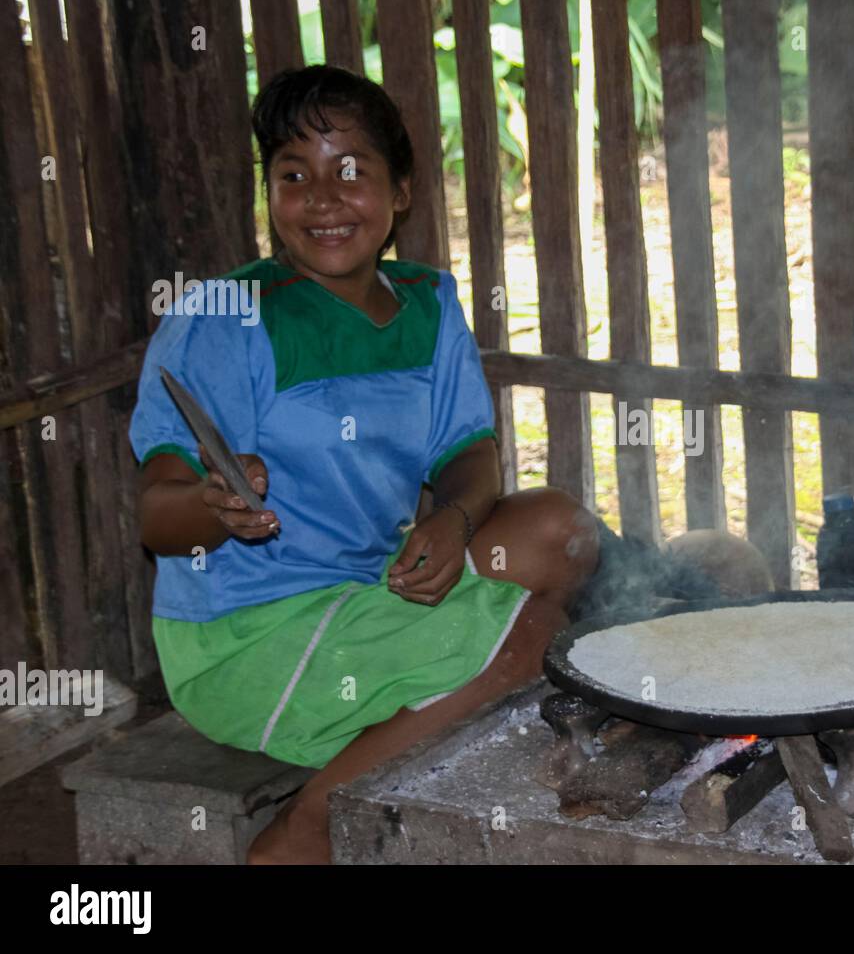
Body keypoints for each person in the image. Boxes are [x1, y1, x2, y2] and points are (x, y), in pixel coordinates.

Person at [129, 65, 599, 863]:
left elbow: (469, 454)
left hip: (372, 584)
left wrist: (450, 522)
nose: (322, 198)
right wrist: (215, 507)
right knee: (535, 640)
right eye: (293, 175)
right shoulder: (225, 317)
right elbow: (157, 518)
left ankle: (409, 716)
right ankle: (306, 830)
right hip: (250, 633)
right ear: (269, 192)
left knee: (560, 529)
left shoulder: (427, 302)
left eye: (350, 170)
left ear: (401, 192)